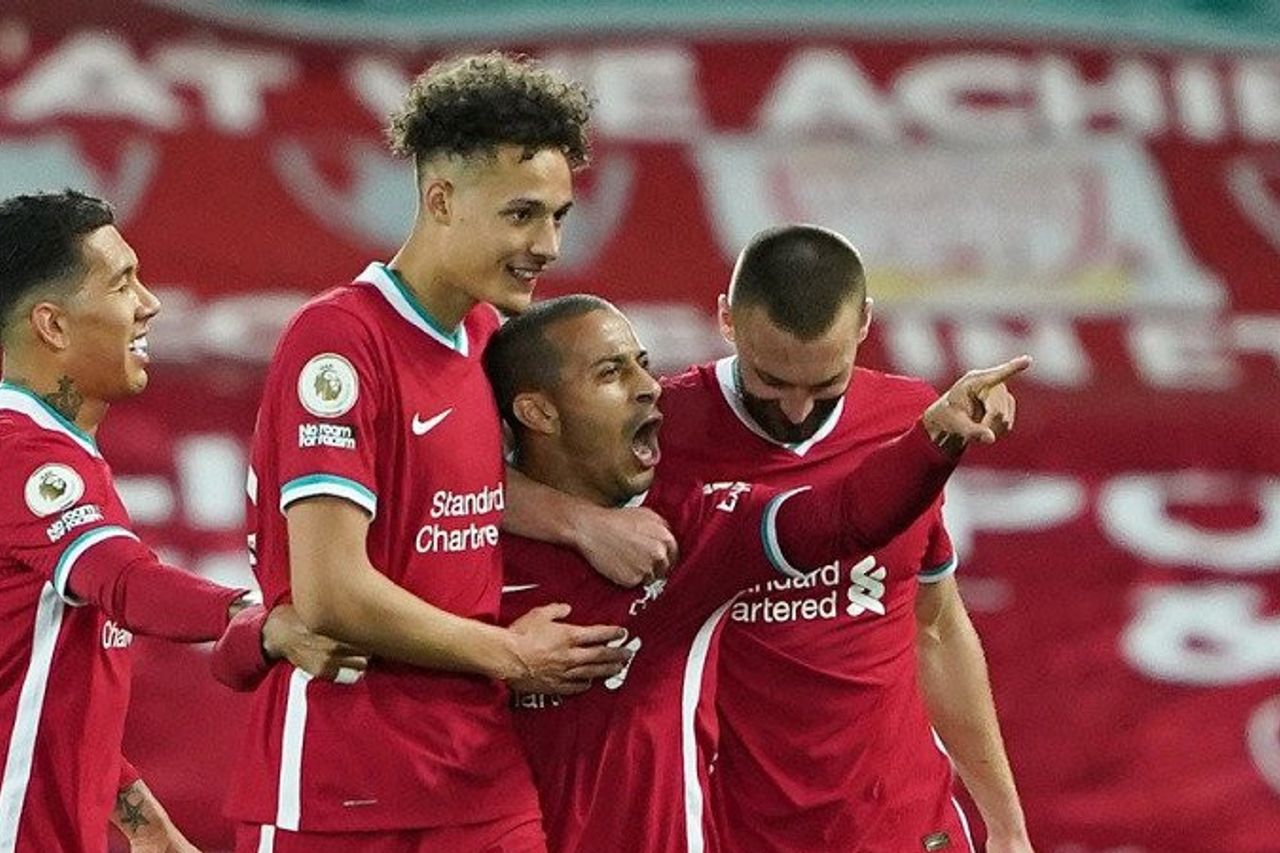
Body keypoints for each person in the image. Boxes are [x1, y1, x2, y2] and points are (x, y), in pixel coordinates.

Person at [224, 53, 633, 852]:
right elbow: (332, 591)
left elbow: (449, 479)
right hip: (339, 786)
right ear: (440, 200)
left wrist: (579, 522)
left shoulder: (486, 338)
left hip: (477, 774)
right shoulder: (338, 340)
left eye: (558, 216)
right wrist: (513, 654)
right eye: (522, 214)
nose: (547, 244)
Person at [482, 294, 1028, 852]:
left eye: (642, 364)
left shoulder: (690, 530)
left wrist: (934, 439)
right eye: (611, 372)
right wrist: (496, 654)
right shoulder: (461, 555)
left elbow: (841, 517)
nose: (648, 386)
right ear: (539, 412)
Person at [661, 224, 1034, 852]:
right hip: (729, 828)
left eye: (825, 384)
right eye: (771, 382)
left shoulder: (910, 426)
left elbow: (936, 626)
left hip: (903, 823)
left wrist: (1007, 826)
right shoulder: (660, 435)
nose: (799, 410)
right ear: (726, 319)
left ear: (864, 323)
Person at [0, 189, 275, 852]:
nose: (151, 304)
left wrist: (143, 821)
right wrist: (267, 612)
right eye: (124, 282)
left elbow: (40, 692)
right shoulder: (21, 454)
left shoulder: (48, 451)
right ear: (53, 325)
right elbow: (127, 583)